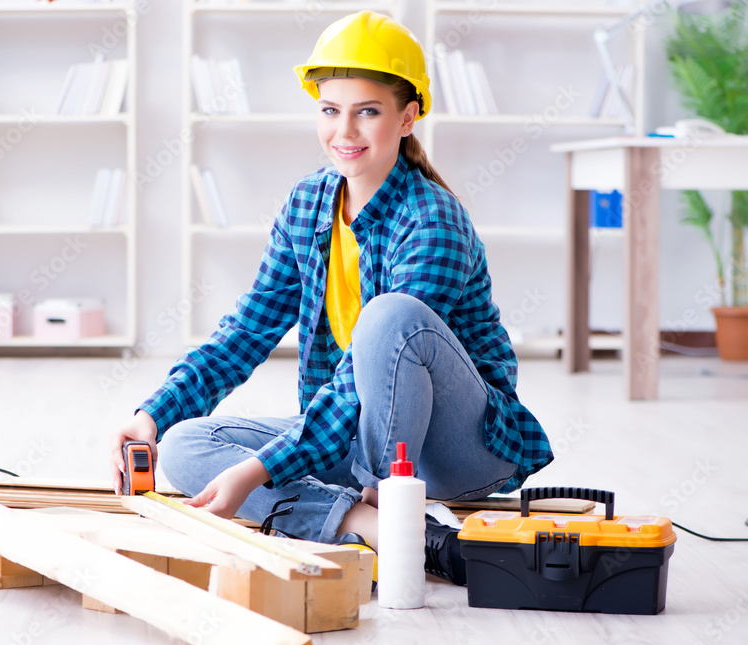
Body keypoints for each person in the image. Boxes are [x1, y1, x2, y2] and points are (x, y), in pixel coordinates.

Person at [111, 11, 552, 585]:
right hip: (355, 429)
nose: (344, 131)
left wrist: (262, 471)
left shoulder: (432, 218)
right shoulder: (306, 205)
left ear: (408, 116)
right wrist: (152, 415)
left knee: (389, 317)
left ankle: (378, 506)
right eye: (330, 110)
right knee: (186, 447)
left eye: (367, 111)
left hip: (458, 447)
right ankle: (384, 530)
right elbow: (247, 331)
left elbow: (369, 368)